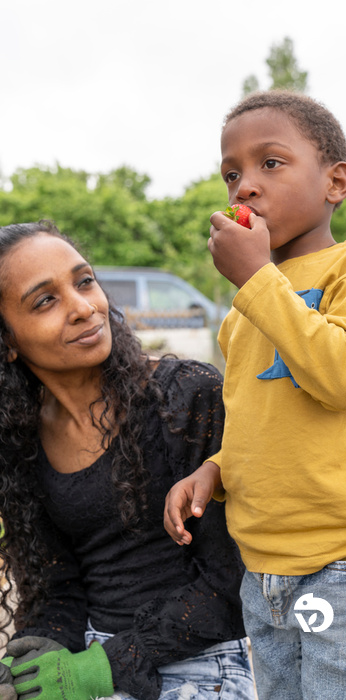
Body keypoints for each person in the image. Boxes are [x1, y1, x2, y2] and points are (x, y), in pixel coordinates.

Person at [164, 91, 346, 700]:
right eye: (232, 174)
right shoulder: (241, 315)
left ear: (335, 182)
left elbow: (343, 377)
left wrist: (256, 280)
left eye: (269, 164)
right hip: (267, 563)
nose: (245, 186)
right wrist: (214, 470)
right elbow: (259, 420)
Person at [0, 220, 255, 700]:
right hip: (89, 658)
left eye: (84, 281)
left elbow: (234, 583)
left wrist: (106, 667)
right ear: (8, 342)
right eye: (45, 300)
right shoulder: (20, 442)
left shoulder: (184, 398)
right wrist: (39, 652)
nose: (83, 308)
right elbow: (60, 585)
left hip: (199, 663)